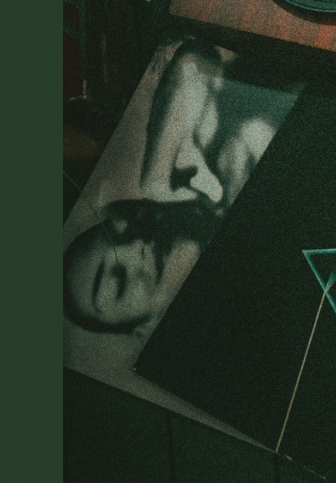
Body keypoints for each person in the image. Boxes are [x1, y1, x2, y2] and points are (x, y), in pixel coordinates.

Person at [64, 42, 295, 338]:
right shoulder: (258, 305)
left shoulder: (202, 171)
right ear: (147, 325)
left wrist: (158, 172)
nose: (136, 250)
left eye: (118, 230)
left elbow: (193, 61)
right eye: (120, 283)